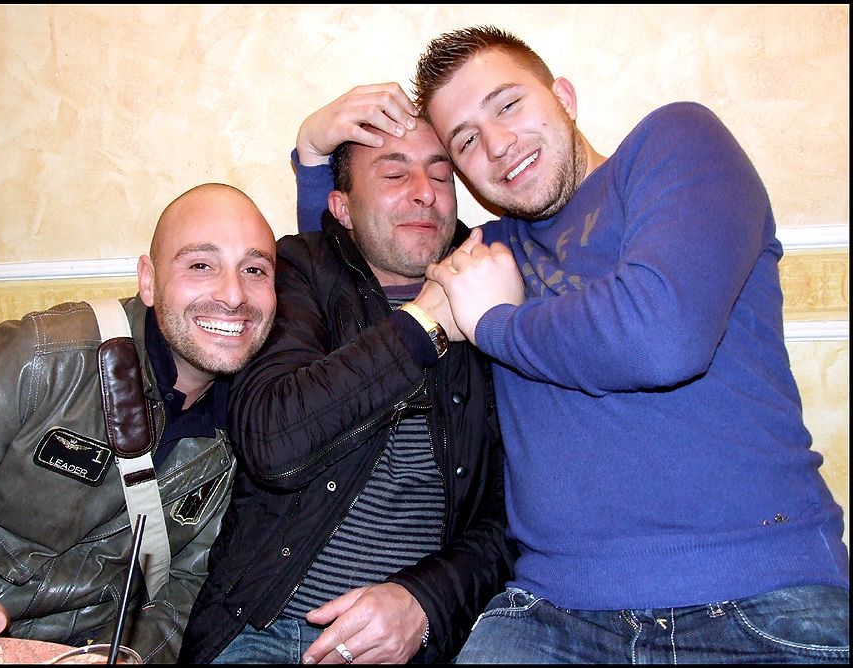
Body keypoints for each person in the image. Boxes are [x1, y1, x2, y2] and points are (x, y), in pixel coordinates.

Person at [293, 26, 849, 664]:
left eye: (508, 105)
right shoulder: (486, 254)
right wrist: (312, 153)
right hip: (552, 613)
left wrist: (496, 322)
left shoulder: (676, 145)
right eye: (466, 141)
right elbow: (359, 276)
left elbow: (662, 338)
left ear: (563, 96)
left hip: (760, 596)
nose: (497, 145)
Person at [0, 183, 278, 663]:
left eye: (254, 270)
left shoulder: (257, 427)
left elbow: (185, 591)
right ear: (148, 281)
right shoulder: (39, 360)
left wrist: (124, 658)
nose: (234, 295)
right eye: (201, 265)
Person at [179, 120, 513, 664]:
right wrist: (421, 326)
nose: (424, 192)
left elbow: (513, 517)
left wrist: (425, 601)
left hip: (412, 645)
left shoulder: (497, 297)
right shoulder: (296, 272)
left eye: (440, 174)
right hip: (264, 630)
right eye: (394, 174)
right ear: (341, 207)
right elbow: (272, 442)